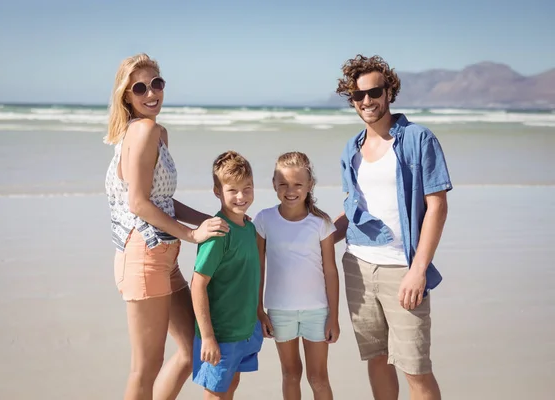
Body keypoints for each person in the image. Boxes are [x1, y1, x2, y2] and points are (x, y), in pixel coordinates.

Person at [104, 53, 230, 400]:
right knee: (144, 369)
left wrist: (207, 220)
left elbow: (160, 201)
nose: (150, 93)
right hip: (143, 257)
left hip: (163, 258)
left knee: (191, 352)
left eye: (156, 83)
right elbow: (138, 203)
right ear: (127, 96)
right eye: (139, 87)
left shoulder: (154, 132)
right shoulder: (143, 131)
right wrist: (191, 235)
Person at [333, 55, 452, 400]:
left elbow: (437, 207)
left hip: (402, 268)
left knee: (416, 369)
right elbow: (354, 211)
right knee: (377, 360)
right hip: (357, 265)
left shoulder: (418, 138)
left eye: (374, 92)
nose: (366, 101)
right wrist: (319, 237)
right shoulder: (351, 149)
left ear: (389, 92)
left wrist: (418, 271)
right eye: (358, 96)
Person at [254, 152, 340, 400]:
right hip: (280, 311)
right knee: (290, 375)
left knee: (318, 378)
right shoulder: (264, 219)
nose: (290, 190)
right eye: (283, 184)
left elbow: (331, 272)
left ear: (309, 185)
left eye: (298, 184)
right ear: (273, 184)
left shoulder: (321, 223)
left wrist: (334, 317)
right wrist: (259, 310)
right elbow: (258, 268)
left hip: (318, 311)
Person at [191, 151, 263, 399]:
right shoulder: (218, 232)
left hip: (244, 328)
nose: (241, 196)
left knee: (231, 384)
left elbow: (250, 277)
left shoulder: (250, 227)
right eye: (232, 190)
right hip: (220, 334)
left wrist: (259, 314)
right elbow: (197, 285)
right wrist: (208, 337)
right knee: (215, 393)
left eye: (247, 188)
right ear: (217, 191)